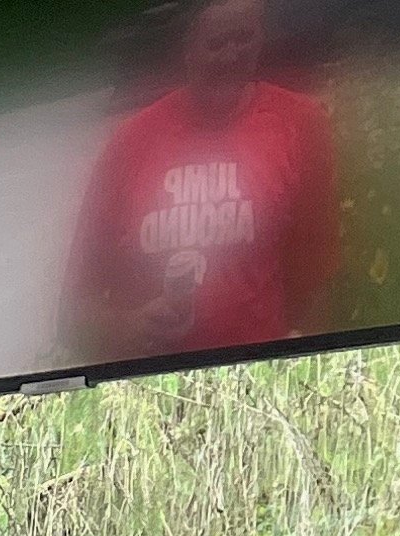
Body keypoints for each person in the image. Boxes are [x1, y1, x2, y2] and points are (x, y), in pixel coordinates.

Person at [62, 0, 342, 360]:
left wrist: (303, 354)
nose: (231, 56)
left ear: (262, 38)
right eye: (215, 44)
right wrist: (130, 327)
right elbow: (73, 313)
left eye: (244, 39)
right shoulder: (130, 142)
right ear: (185, 50)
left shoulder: (301, 121)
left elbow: (319, 268)